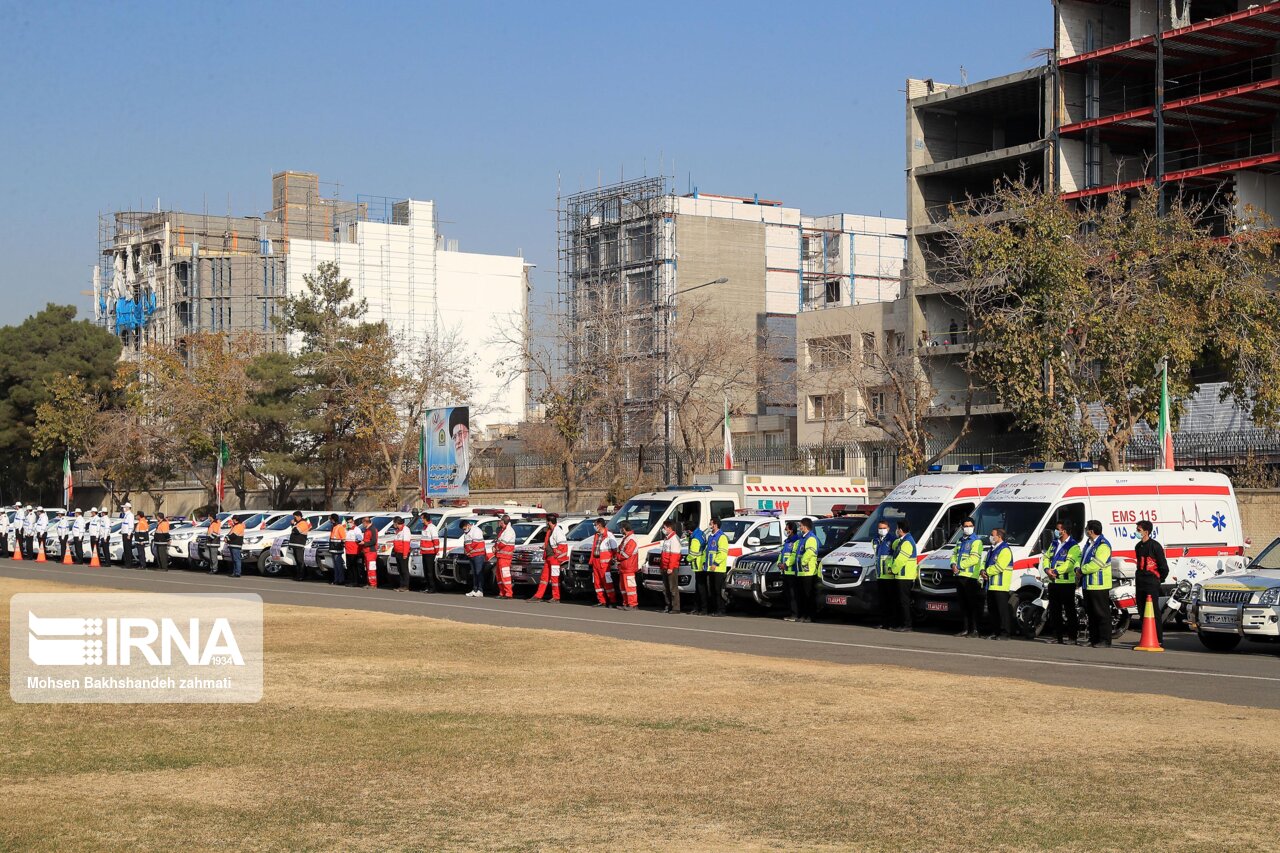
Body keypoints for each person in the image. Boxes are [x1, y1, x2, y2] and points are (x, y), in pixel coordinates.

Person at [1043, 521, 1081, 644]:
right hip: (1053, 582)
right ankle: (1056, 636)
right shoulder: (1054, 543)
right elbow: (1046, 557)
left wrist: (1055, 571)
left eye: (1057, 529)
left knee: (1070, 611)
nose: (1056, 531)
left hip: (1066, 583)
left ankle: (1072, 637)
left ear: (1064, 530)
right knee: (1054, 611)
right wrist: (1046, 569)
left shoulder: (1073, 546)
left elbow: (1069, 564)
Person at [1134, 519, 1168, 645]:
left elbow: (1164, 567)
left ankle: (1158, 639)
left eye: (1139, 530)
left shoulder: (1155, 546)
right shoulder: (1138, 546)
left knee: (1154, 611)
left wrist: (1158, 579)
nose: (1137, 532)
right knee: (1142, 610)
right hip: (1140, 581)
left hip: (1151, 582)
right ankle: (1146, 637)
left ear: (1146, 532)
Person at [1080, 519, 1114, 648]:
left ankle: (1105, 640)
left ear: (1091, 531)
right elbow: (1082, 559)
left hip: (1099, 585)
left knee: (1101, 614)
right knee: (1091, 614)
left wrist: (1081, 571)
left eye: (1086, 528)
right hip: (1088, 584)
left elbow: (1096, 564)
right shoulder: (1089, 543)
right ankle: (1093, 639)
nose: (1085, 530)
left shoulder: (1103, 545)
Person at [949, 517, 984, 638]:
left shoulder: (976, 541)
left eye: (970, 525)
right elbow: (954, 554)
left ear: (973, 527)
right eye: (966, 526)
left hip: (970, 577)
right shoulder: (960, 540)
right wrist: (953, 564)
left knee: (972, 605)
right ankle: (965, 629)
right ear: (962, 527)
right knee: (963, 604)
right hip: (959, 575)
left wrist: (959, 566)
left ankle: (974, 630)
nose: (968, 528)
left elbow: (974, 559)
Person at [981, 528, 1014, 640]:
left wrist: (987, 572)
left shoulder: (1005, 550)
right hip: (990, 585)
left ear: (999, 536)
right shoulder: (991, 549)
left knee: (1002, 611)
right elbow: (984, 562)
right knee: (993, 611)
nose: (990, 537)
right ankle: (995, 632)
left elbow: (1000, 566)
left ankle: (1005, 633)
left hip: (1000, 586)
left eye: (992, 535)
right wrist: (982, 571)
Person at [888, 519, 916, 632]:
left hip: (905, 576)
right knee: (900, 601)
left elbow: (900, 560)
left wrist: (892, 570)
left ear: (900, 530)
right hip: (901, 576)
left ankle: (907, 624)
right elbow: (894, 547)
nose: (896, 530)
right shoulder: (902, 541)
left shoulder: (907, 542)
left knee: (904, 602)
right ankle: (901, 623)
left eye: (897, 528)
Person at [531, 513, 565, 603]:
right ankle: (538, 596)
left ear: (549, 522)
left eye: (546, 521)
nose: (546, 523)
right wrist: (545, 547)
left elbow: (562, 546)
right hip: (549, 557)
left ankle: (556, 597)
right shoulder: (550, 531)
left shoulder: (558, 531)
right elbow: (549, 543)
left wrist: (556, 555)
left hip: (554, 558)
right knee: (544, 578)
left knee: (554, 578)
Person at [793, 517, 820, 623]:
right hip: (801, 572)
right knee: (802, 595)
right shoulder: (802, 539)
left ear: (805, 526)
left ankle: (810, 616)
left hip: (808, 571)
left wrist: (802, 562)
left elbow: (810, 553)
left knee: (809, 595)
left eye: (801, 526)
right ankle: (803, 615)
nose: (800, 528)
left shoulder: (811, 538)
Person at [588, 518, 618, 607]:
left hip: (604, 564)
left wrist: (613, 559)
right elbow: (594, 548)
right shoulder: (596, 535)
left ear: (600, 525)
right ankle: (602, 601)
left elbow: (614, 549)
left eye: (595, 525)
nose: (595, 526)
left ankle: (612, 601)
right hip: (596, 562)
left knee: (607, 582)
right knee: (597, 583)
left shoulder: (609, 535)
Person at [705, 516, 730, 617]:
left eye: (711, 523)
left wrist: (715, 563)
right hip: (711, 568)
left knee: (718, 590)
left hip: (718, 568)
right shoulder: (711, 536)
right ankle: (715, 609)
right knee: (712, 589)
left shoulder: (721, 537)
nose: (710, 525)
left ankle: (721, 609)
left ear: (715, 525)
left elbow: (722, 553)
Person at [873, 519, 896, 628]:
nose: (881, 530)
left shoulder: (892, 539)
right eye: (880, 528)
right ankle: (883, 622)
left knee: (891, 601)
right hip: (880, 574)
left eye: (883, 528)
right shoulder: (875, 539)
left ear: (888, 528)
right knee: (881, 601)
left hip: (889, 574)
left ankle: (891, 623)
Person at [659, 519, 683, 613]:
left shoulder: (674, 539)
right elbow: (664, 554)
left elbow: (674, 555)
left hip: (671, 567)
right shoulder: (667, 538)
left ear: (669, 528)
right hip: (664, 566)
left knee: (673, 588)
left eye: (664, 527)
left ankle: (676, 607)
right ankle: (668, 605)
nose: (663, 529)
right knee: (666, 588)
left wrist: (670, 567)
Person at [780, 521, 801, 622]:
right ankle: (790, 613)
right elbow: (782, 553)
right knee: (788, 594)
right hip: (784, 572)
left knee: (794, 595)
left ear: (791, 530)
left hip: (792, 572)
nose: (785, 530)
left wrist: (786, 564)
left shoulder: (796, 541)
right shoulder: (787, 541)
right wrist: (779, 563)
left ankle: (795, 614)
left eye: (786, 528)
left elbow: (793, 556)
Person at [617, 520, 640, 610]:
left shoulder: (631, 539)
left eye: (621, 528)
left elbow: (626, 554)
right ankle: (626, 603)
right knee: (623, 587)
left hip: (629, 567)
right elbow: (620, 549)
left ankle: (633, 604)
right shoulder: (626, 538)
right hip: (624, 567)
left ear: (624, 528)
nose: (620, 530)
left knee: (630, 587)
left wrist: (617, 557)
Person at [688, 522, 709, 615]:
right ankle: (698, 608)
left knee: (700, 588)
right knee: (700, 587)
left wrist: (687, 558)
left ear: (689, 530)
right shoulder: (700, 533)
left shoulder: (695, 538)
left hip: (698, 564)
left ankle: (702, 608)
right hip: (702, 563)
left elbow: (693, 553)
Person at [494, 515, 516, 599]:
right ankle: (502, 592)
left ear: (503, 522)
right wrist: (494, 546)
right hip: (501, 556)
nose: (499, 523)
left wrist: (496, 547)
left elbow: (503, 543)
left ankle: (508, 593)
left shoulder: (509, 531)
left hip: (505, 557)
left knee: (505, 575)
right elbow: (498, 541)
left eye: (500, 521)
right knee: (499, 575)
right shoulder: (503, 530)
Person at [461, 519, 485, 597]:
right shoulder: (466, 532)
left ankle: (480, 590)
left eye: (464, 528)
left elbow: (475, 543)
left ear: (468, 525)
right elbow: (466, 543)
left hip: (478, 554)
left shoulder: (476, 530)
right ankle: (475, 589)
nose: (464, 530)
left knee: (478, 572)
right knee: (474, 573)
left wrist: (468, 550)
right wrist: (465, 550)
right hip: (471, 555)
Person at [419, 512, 441, 593]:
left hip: (430, 552)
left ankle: (432, 588)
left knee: (429, 571)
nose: (421, 520)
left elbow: (435, 540)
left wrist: (436, 551)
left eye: (422, 518)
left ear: (425, 518)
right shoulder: (424, 527)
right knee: (425, 571)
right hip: (424, 552)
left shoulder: (432, 528)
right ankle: (427, 587)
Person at [288, 511, 312, 582]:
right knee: (297, 561)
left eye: (295, 517)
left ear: (299, 516)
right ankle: (300, 575)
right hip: (295, 544)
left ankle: (302, 576)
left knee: (300, 560)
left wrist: (293, 524)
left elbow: (297, 531)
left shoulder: (303, 523)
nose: (294, 518)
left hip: (299, 544)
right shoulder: (298, 523)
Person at [392, 516, 413, 591]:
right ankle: (401, 585)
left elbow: (406, 543)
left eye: (394, 523)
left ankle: (406, 586)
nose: (393, 525)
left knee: (404, 569)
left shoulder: (405, 530)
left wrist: (405, 554)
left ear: (397, 523)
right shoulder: (398, 530)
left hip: (403, 553)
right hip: (398, 552)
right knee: (400, 569)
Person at [327, 514, 347, 586]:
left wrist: (341, 545)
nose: (330, 520)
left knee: (339, 565)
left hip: (337, 549)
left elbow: (343, 538)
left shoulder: (339, 527)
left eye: (331, 519)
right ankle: (336, 579)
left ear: (333, 519)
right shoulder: (333, 527)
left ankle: (340, 580)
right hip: (333, 549)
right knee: (335, 566)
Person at [359, 516, 380, 589]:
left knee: (371, 568)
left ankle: (373, 584)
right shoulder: (367, 529)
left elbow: (374, 541)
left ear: (366, 522)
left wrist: (364, 543)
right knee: (368, 568)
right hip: (367, 551)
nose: (362, 524)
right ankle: (369, 582)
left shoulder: (372, 529)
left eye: (363, 523)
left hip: (371, 551)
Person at [345, 516, 363, 587]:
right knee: (349, 566)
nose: (349, 524)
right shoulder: (346, 529)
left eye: (350, 522)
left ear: (353, 522)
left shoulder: (357, 529)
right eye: (348, 522)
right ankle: (351, 580)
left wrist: (356, 540)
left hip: (354, 551)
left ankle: (356, 581)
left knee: (354, 567)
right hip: (348, 551)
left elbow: (360, 539)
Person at [120, 502, 135, 567]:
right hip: (124, 533)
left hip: (127, 534)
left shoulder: (130, 515)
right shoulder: (125, 515)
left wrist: (129, 534)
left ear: (128, 508)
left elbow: (131, 526)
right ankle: (127, 563)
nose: (123, 508)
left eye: (124, 507)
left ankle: (129, 564)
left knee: (128, 549)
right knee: (125, 548)